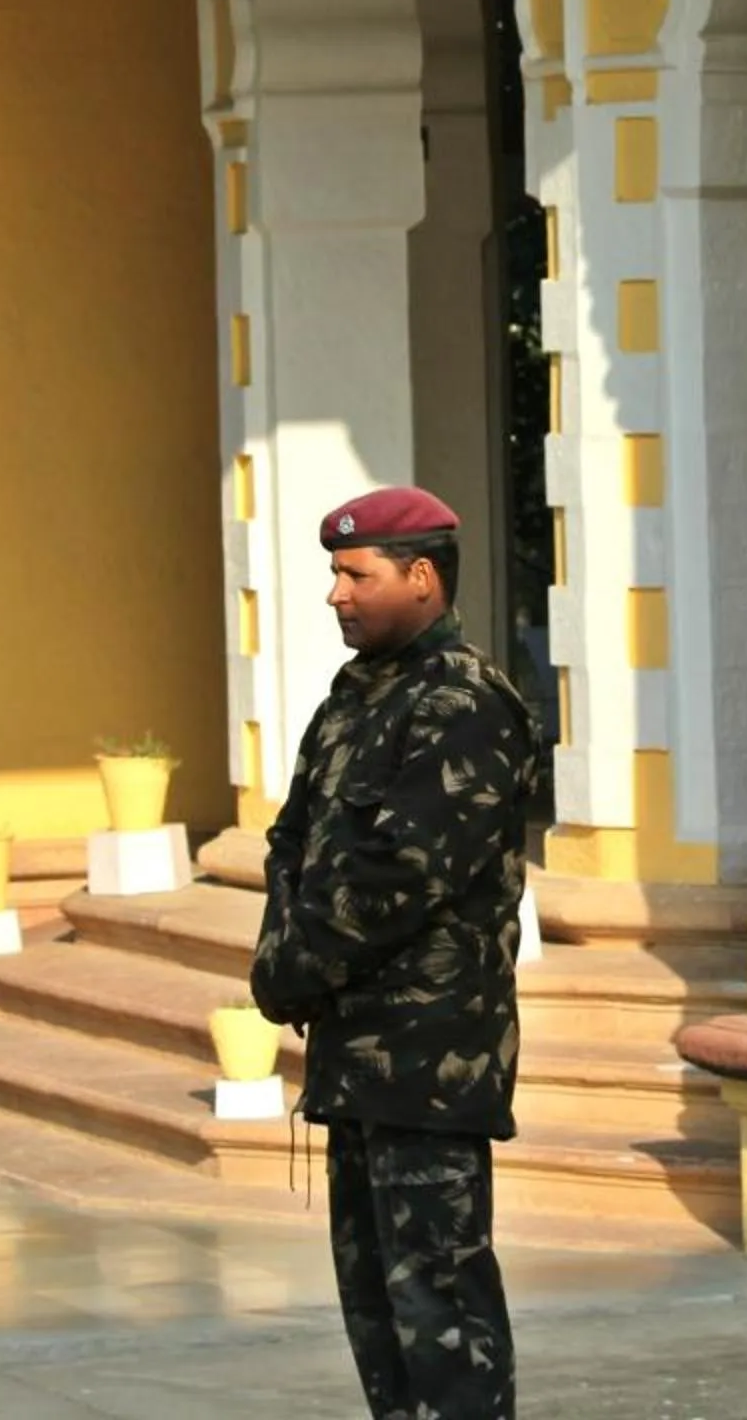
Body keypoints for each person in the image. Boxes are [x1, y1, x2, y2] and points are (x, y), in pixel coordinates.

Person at [250, 484, 542, 1420]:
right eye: (335, 573)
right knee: (375, 1305)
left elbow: (399, 874)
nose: (336, 593)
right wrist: (278, 949)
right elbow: (291, 840)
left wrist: (295, 969)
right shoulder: (354, 697)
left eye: (354, 574)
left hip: (430, 1057)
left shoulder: (465, 703)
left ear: (421, 578)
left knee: (441, 1305)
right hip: (356, 1053)